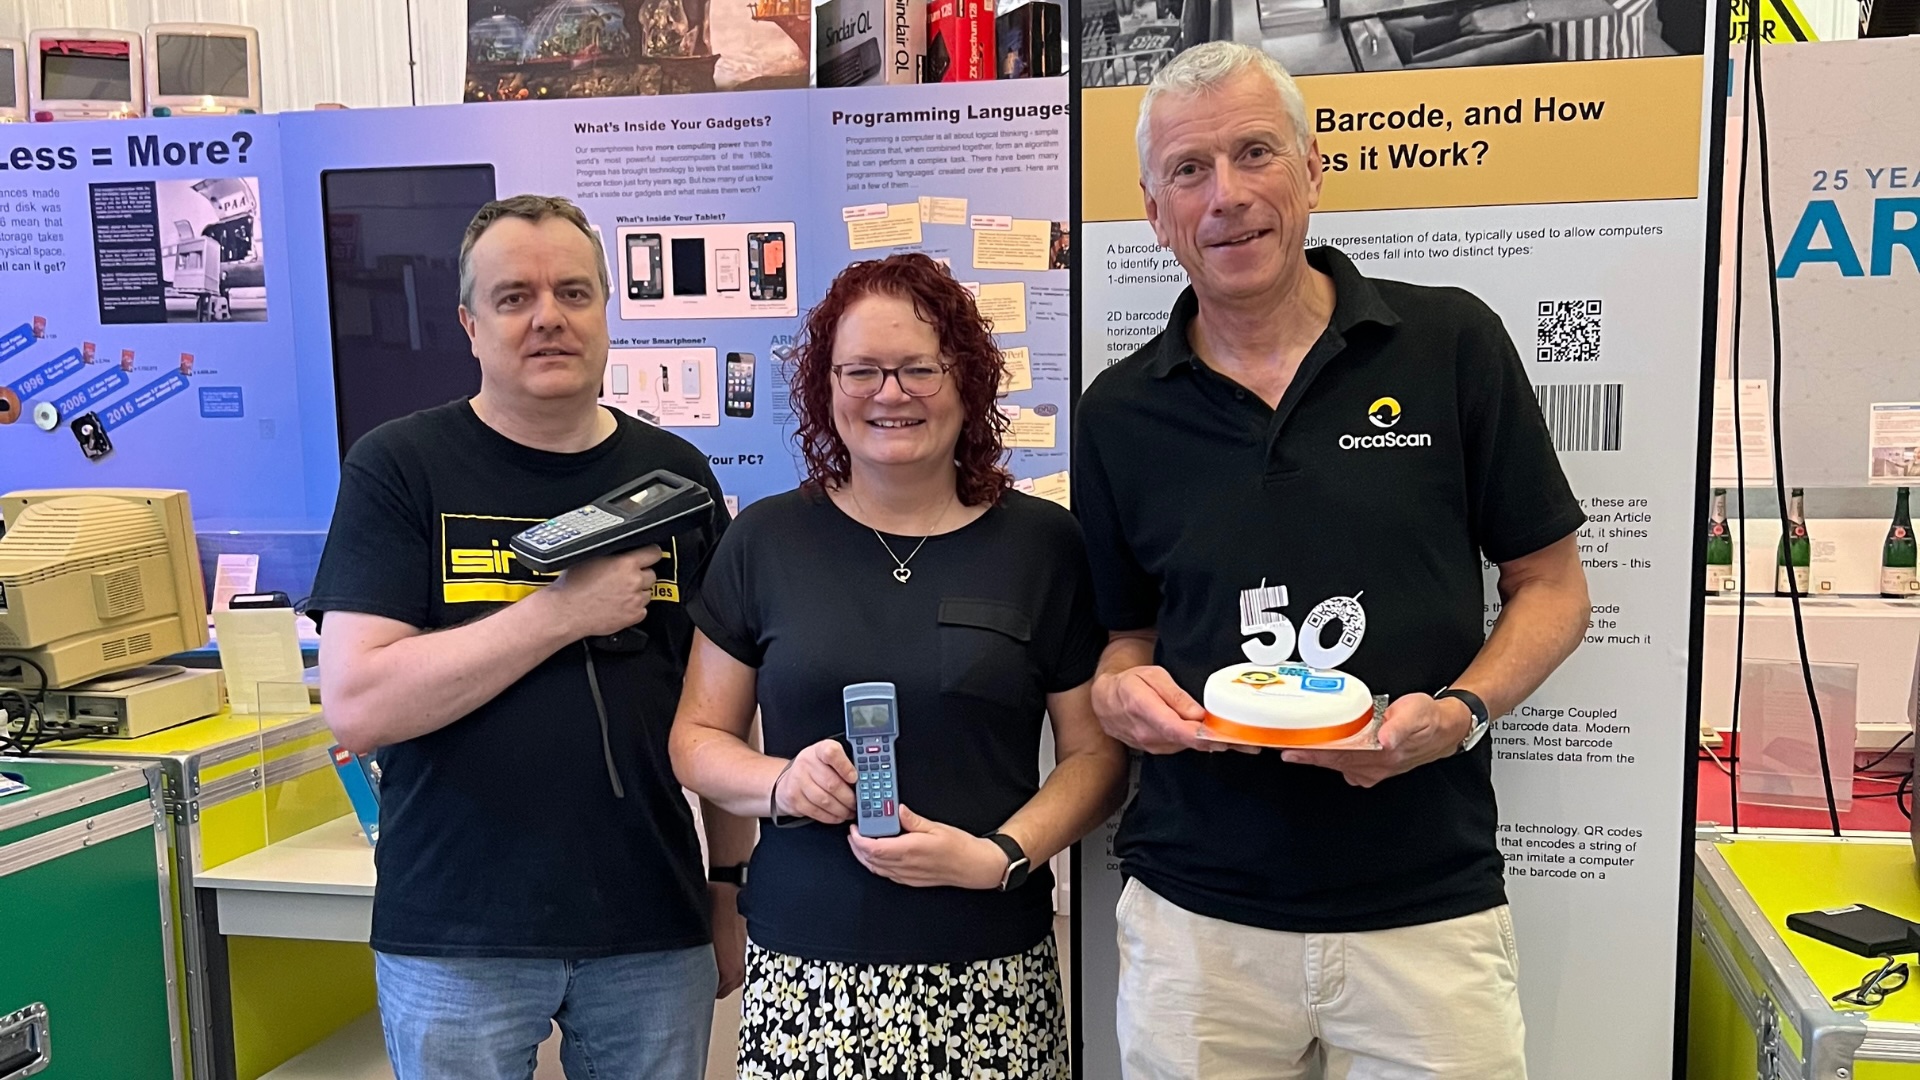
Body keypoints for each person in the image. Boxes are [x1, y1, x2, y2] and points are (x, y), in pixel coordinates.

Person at [1074, 42, 1592, 1080]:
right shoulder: (1120, 410)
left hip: (1423, 910)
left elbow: (1553, 586)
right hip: (1196, 922)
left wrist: (1460, 715)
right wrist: (1122, 695)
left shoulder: (1450, 344)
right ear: (1154, 208)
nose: (1226, 196)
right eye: (1189, 170)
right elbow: (1124, 641)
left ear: (1315, 169)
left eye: (1254, 153)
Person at [309, 194, 749, 1080]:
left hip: (649, 920)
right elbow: (358, 704)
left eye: (574, 293)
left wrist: (730, 885)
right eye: (514, 298)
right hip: (456, 930)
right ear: (470, 324)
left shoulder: (678, 478)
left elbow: (724, 706)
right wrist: (559, 613)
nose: (548, 316)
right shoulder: (400, 466)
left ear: (606, 316)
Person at [671, 253, 1127, 1079]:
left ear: (968, 380)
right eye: (862, 370)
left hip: (990, 969)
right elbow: (696, 737)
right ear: (825, 386)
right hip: (807, 972)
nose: (891, 393)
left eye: (921, 367)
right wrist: (779, 783)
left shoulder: (1043, 547)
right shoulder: (765, 542)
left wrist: (1000, 855)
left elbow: (1096, 757)